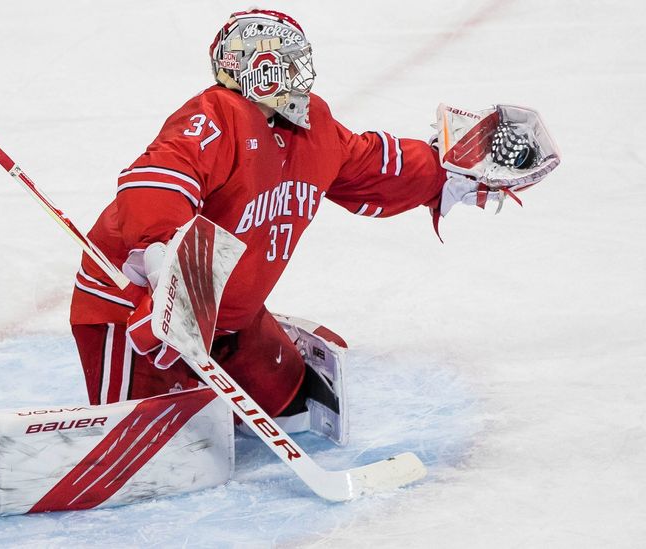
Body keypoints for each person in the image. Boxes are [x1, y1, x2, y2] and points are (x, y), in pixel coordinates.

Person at [69, 9, 555, 440]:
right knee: (157, 443)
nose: (304, 76)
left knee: (295, 404)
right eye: (291, 63)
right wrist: (162, 253)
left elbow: (370, 165)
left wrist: (445, 168)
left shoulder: (313, 126)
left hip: (227, 317)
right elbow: (157, 181)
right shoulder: (215, 116)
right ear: (259, 70)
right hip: (139, 303)